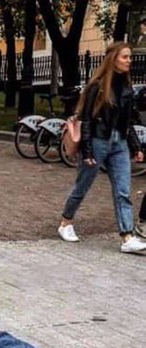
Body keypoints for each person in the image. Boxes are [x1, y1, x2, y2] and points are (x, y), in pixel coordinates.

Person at [58, 42, 146, 254]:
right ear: (113, 59)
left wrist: (136, 147)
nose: (129, 61)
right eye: (125, 57)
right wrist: (87, 151)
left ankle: (127, 237)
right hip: (98, 142)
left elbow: (128, 120)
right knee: (83, 185)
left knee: (123, 190)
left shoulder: (126, 87)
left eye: (130, 57)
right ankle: (65, 223)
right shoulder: (97, 86)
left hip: (119, 144)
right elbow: (87, 119)